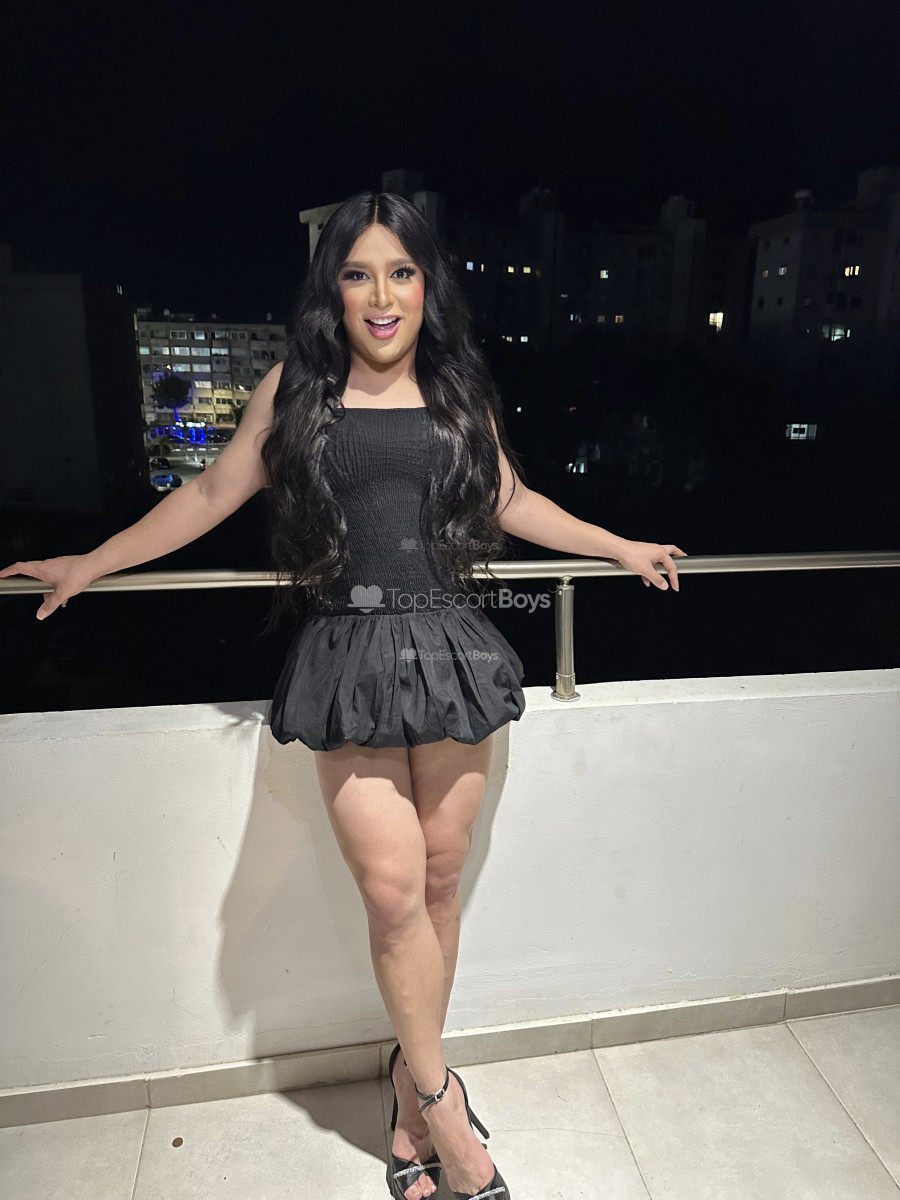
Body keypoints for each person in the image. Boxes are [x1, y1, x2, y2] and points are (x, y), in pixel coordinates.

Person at [0, 191, 687, 1200]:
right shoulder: (297, 387)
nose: (382, 295)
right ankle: (445, 1105)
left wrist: (618, 545)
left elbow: (510, 499)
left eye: (401, 273)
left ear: (427, 285)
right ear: (334, 289)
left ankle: (409, 1099)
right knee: (393, 892)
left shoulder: (457, 387)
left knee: (441, 883)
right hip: (347, 654)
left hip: (448, 646)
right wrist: (91, 562)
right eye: (359, 274)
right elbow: (209, 493)